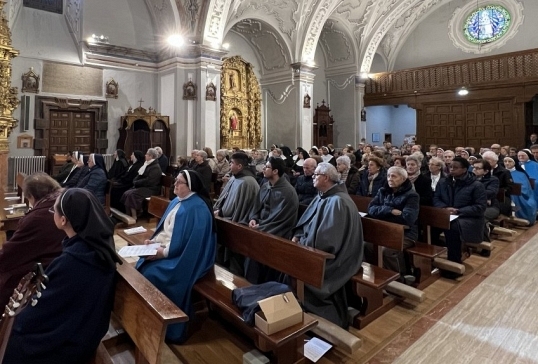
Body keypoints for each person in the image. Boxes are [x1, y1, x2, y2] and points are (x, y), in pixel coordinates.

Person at [4, 188, 121, 363]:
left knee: (14, 342)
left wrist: (18, 323)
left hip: (72, 342)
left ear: (64, 220)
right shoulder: (97, 245)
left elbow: (45, 308)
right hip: (85, 329)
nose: (52, 213)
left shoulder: (73, 260)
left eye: (54, 210)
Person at [137, 170, 216, 343]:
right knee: (140, 265)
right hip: (170, 250)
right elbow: (165, 231)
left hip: (188, 258)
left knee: (152, 274)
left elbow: (192, 245)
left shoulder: (197, 208)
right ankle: (148, 317)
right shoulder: (176, 201)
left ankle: (168, 324)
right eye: (176, 181)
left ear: (190, 187)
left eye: (179, 182)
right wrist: (153, 242)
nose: (175, 184)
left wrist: (162, 253)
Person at [292, 162, 363, 328]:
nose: (313, 178)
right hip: (315, 249)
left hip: (337, 258)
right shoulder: (323, 196)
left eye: (316, 175)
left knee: (299, 270)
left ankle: (320, 320)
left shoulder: (338, 202)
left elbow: (328, 242)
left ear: (325, 178)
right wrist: (298, 236)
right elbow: (307, 223)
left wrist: (302, 245)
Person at [0, 173, 65, 309]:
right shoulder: (62, 200)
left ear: (32, 197)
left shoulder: (37, 217)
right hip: (58, 260)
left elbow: (11, 254)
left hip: (45, 269)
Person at [244, 157, 299, 283]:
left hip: (278, 232)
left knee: (256, 246)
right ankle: (249, 283)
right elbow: (256, 206)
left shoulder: (287, 192)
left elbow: (280, 219)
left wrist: (260, 227)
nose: (264, 169)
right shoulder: (265, 186)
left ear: (275, 171)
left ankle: (256, 285)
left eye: (267, 167)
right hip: (262, 227)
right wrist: (253, 218)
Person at [367, 166, 419, 278]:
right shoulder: (383, 191)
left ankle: (399, 278)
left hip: (405, 233)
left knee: (388, 250)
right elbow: (371, 209)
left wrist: (382, 213)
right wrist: (389, 210)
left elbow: (408, 218)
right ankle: (380, 275)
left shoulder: (411, 195)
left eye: (394, 176)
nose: (390, 179)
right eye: (388, 176)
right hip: (385, 230)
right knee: (367, 245)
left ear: (403, 179)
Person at [433, 157, 487, 267]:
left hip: (468, 218)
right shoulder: (443, 181)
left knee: (452, 227)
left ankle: (454, 261)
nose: (452, 169)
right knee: (430, 225)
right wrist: (444, 208)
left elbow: (480, 207)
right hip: (447, 214)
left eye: (455, 167)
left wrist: (458, 211)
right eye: (450, 167)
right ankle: (431, 259)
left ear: (464, 169)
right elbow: (436, 198)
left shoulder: (476, 185)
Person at [213, 152, 260, 275]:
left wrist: (221, 212)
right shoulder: (235, 178)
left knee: (234, 261)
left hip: (238, 222)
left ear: (239, 166)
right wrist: (217, 209)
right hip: (224, 217)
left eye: (232, 163)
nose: (229, 166)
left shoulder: (247, 182)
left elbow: (240, 206)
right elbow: (225, 197)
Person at [121, 148, 162, 220]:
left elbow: (150, 181)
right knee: (126, 193)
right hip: (145, 187)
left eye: (147, 154)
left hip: (152, 189)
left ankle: (134, 216)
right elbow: (139, 175)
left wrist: (137, 182)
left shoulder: (155, 167)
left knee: (132, 194)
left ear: (151, 156)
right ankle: (128, 215)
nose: (145, 155)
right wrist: (135, 181)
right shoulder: (147, 165)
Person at [504, 157, 536, 225]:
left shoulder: (521, 174)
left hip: (520, 195)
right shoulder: (501, 172)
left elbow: (525, 188)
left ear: (514, 163)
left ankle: (515, 217)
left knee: (513, 198)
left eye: (510, 161)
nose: (507, 163)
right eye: (505, 161)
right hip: (504, 194)